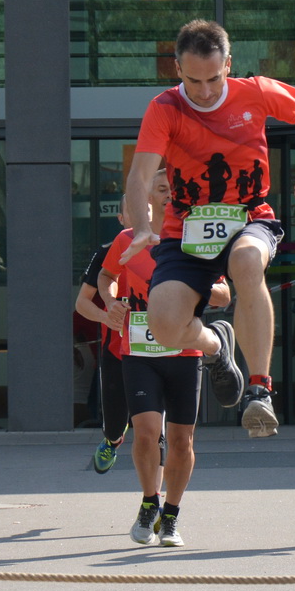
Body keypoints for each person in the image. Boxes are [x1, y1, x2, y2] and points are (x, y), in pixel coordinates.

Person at [124, 20, 295, 438]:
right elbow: (139, 176)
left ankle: (260, 390)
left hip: (248, 217)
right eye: (193, 80)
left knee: (246, 262)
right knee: (164, 325)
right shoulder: (165, 108)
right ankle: (215, 346)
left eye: (213, 78)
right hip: (184, 229)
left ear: (229, 64)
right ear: (177, 70)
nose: (204, 92)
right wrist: (141, 227)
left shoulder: (257, 92)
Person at [101, 168, 228, 547]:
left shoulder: (197, 241)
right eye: (160, 189)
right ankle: (148, 503)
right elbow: (107, 276)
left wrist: (197, 284)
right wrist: (111, 302)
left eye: (175, 189)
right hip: (139, 351)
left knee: (181, 441)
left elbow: (223, 295)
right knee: (144, 435)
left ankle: (171, 516)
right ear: (149, 197)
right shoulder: (127, 239)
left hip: (183, 352)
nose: (168, 195)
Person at [75, 235, 129, 473]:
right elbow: (82, 303)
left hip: (158, 348)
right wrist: (106, 316)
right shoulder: (107, 251)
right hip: (115, 347)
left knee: (153, 426)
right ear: (121, 216)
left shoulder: (168, 242)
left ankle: (155, 497)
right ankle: (112, 439)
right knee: (115, 424)